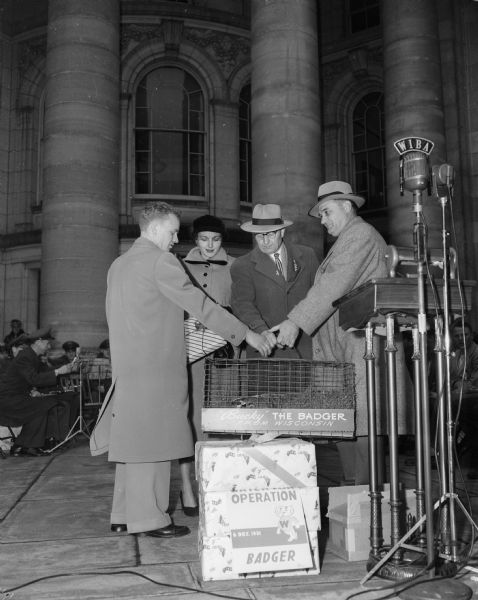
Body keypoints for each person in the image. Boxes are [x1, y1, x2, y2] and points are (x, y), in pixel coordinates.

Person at [90, 201, 272, 539]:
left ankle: (123, 514)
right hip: (157, 369)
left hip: (127, 367)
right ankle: (151, 519)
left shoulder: (118, 264)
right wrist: (244, 333)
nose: (176, 240)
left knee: (131, 441)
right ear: (157, 228)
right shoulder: (161, 261)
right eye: (173, 231)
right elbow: (201, 305)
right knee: (154, 445)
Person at [272, 181, 410, 485]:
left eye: (326, 212)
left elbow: (333, 285)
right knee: (348, 422)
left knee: (362, 424)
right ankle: (354, 501)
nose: (322, 220)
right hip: (352, 347)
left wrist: (295, 321)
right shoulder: (350, 238)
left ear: (347, 206)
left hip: (364, 347)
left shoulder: (360, 235)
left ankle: (365, 504)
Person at [178, 214, 235, 516]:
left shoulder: (236, 267)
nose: (210, 245)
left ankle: (215, 484)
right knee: (190, 417)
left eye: (216, 239)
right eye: (203, 239)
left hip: (223, 351)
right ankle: (188, 487)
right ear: (195, 239)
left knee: (221, 416)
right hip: (190, 351)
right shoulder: (179, 266)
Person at [230, 203, 319, 360]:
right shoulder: (242, 265)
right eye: (259, 235)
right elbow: (242, 304)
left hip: (306, 351)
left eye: (270, 234)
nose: (265, 241)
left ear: (282, 231)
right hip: (266, 354)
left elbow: (318, 295)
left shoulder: (308, 256)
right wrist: (261, 331)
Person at [0, 327, 80, 456]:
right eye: (47, 343)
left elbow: (45, 372)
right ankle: (27, 445)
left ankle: (25, 445)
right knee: (44, 404)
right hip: (8, 400)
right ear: (39, 342)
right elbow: (34, 379)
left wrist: (70, 368)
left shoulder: (31, 356)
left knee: (45, 403)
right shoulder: (25, 357)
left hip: (17, 397)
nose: (49, 346)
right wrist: (59, 371)